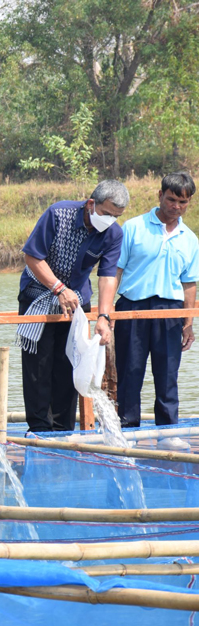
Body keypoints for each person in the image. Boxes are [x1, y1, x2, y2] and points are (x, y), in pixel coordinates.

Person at [17, 179, 127, 434]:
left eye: (116, 216)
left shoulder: (113, 233)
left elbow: (108, 276)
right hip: (38, 296)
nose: (110, 219)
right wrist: (58, 288)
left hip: (76, 302)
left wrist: (103, 316)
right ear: (91, 204)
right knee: (38, 367)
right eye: (107, 213)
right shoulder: (59, 214)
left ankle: (62, 431)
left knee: (69, 365)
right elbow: (33, 256)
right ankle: (40, 431)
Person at [115, 172, 199, 447]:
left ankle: (167, 433)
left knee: (167, 373)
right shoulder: (133, 228)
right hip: (132, 308)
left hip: (170, 311)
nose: (176, 206)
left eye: (183, 202)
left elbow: (189, 284)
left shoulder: (190, 239)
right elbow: (114, 271)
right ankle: (128, 432)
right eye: (172, 199)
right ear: (159, 195)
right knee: (130, 371)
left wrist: (188, 322)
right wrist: (108, 314)